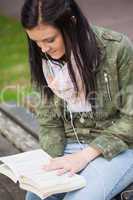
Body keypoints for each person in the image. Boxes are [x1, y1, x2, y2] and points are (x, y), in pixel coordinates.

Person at [20, 0, 133, 200]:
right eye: (36, 42)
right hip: (69, 146)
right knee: (37, 196)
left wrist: (84, 156)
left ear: (71, 23)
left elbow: (130, 118)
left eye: (49, 40)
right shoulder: (43, 60)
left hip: (118, 146)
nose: (43, 49)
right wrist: (49, 165)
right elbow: (49, 120)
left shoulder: (116, 48)